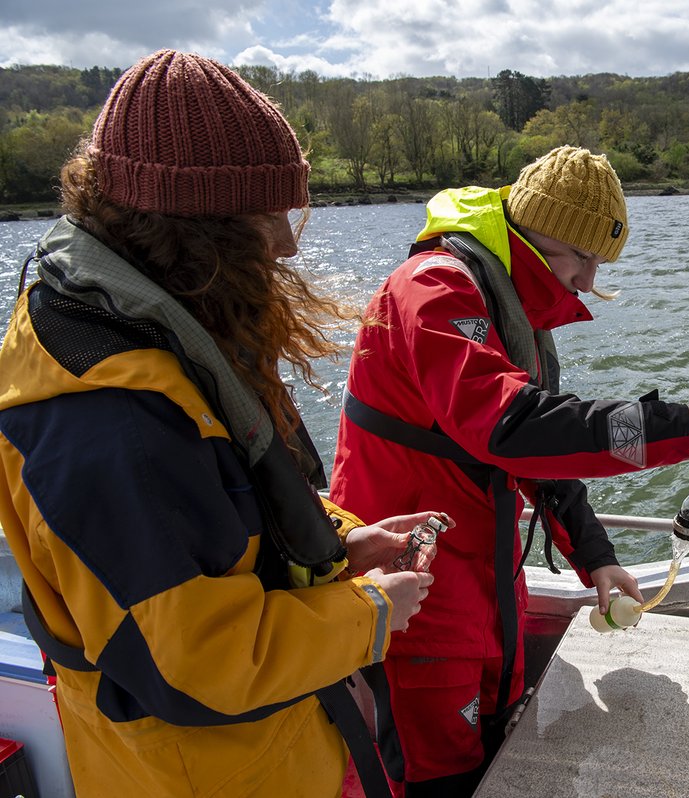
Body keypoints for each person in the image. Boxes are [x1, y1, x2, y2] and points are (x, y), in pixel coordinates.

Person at [0, 50, 445, 798]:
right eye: (267, 217)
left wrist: (341, 543)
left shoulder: (152, 326)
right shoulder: (106, 421)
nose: (289, 244)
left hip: (265, 756)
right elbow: (197, 666)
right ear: (192, 228)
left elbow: (221, 511)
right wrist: (371, 612)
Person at [329, 145, 689, 796]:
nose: (586, 280)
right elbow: (512, 427)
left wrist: (598, 559)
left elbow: (542, 454)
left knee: (493, 762)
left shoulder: (506, 309)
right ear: (531, 232)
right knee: (441, 781)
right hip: (417, 613)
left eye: (598, 262)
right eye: (579, 256)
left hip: (482, 598)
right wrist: (680, 426)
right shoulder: (432, 291)